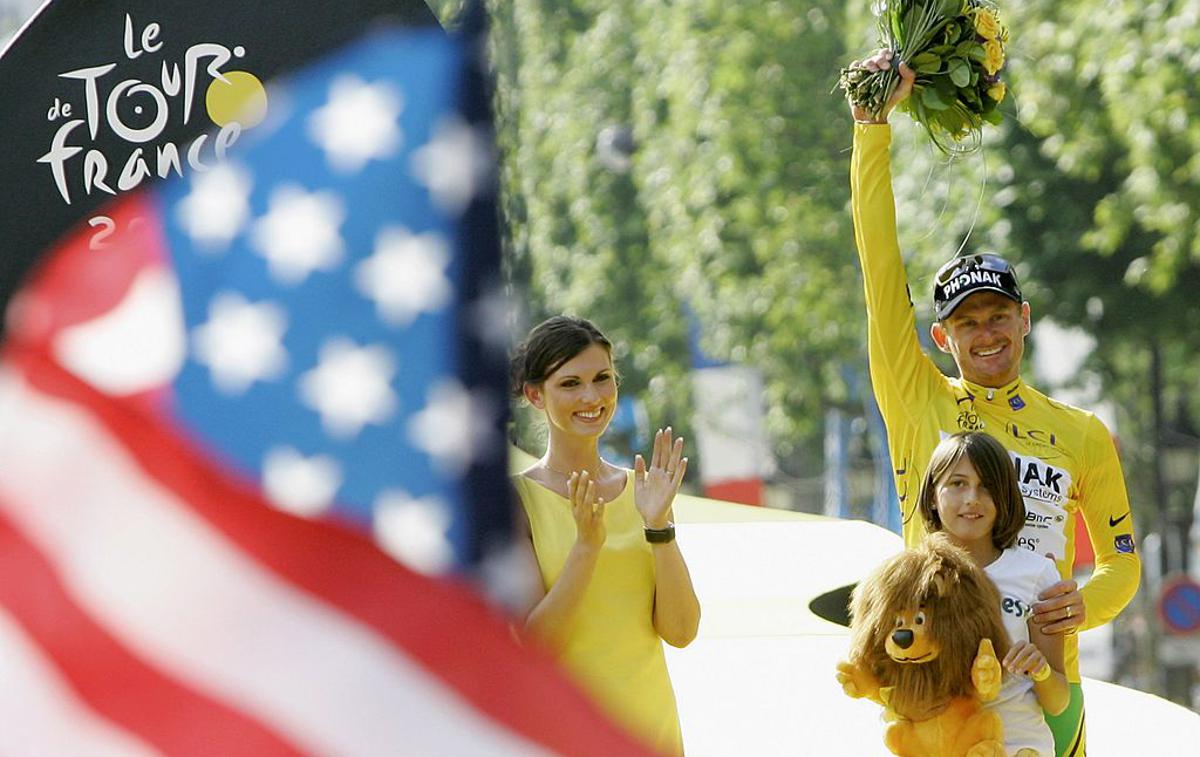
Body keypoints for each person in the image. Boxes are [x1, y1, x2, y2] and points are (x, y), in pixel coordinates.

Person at [848, 50, 1140, 756]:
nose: (987, 333)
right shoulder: (916, 396)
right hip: (935, 689)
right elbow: (881, 268)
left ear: (1025, 319)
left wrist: (1083, 603)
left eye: (999, 315)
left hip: (1045, 685)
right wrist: (871, 132)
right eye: (969, 321)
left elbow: (1122, 560)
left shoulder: (1080, 432)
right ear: (941, 334)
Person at [509, 315, 700, 755]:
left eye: (602, 379)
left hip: (650, 733)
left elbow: (682, 630)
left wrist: (659, 527)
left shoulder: (644, 491)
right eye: (570, 383)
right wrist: (586, 547)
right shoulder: (518, 499)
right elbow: (532, 646)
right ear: (536, 395)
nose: (591, 396)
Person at [918, 432, 1070, 756]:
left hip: (1019, 747)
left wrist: (1040, 669)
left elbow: (1058, 701)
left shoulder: (1037, 574)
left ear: (1004, 497)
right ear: (933, 495)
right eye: (957, 483)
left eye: (986, 486)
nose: (972, 498)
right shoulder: (910, 578)